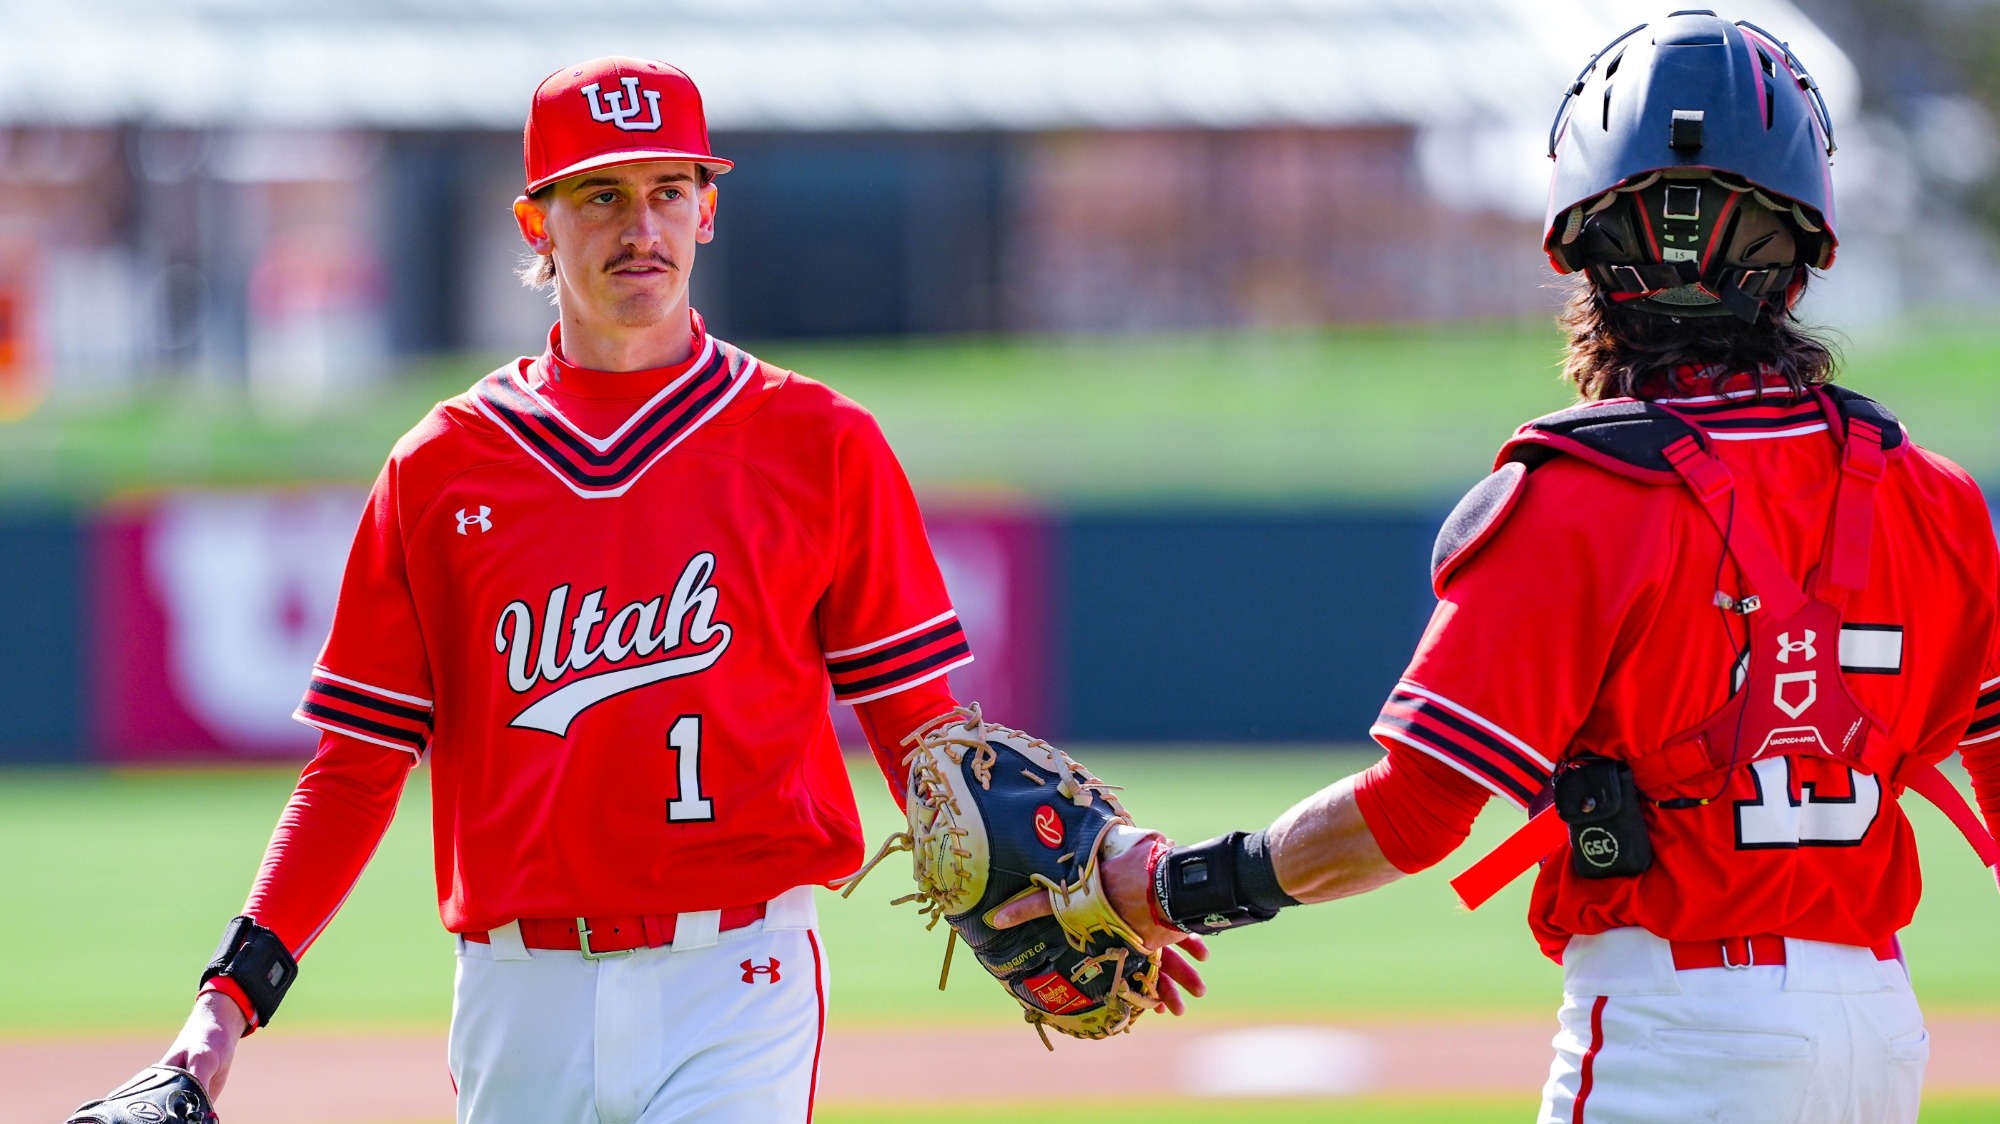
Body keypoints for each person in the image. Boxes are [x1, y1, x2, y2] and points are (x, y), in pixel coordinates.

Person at [1000, 13, 2000, 1123]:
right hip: (1877, 1033)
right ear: (1805, 252)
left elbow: (1415, 811)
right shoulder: (1936, 498)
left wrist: (1180, 883)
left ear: (1573, 244)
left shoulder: (1574, 494)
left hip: (1672, 1029)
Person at [139, 55, 1013, 1123]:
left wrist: (1072, 884)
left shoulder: (818, 443)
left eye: (666, 191)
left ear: (707, 210)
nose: (638, 226)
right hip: (519, 990)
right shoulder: (443, 464)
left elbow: (920, 734)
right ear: (534, 222)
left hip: (735, 977)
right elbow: (354, 769)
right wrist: (229, 995)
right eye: (599, 194)